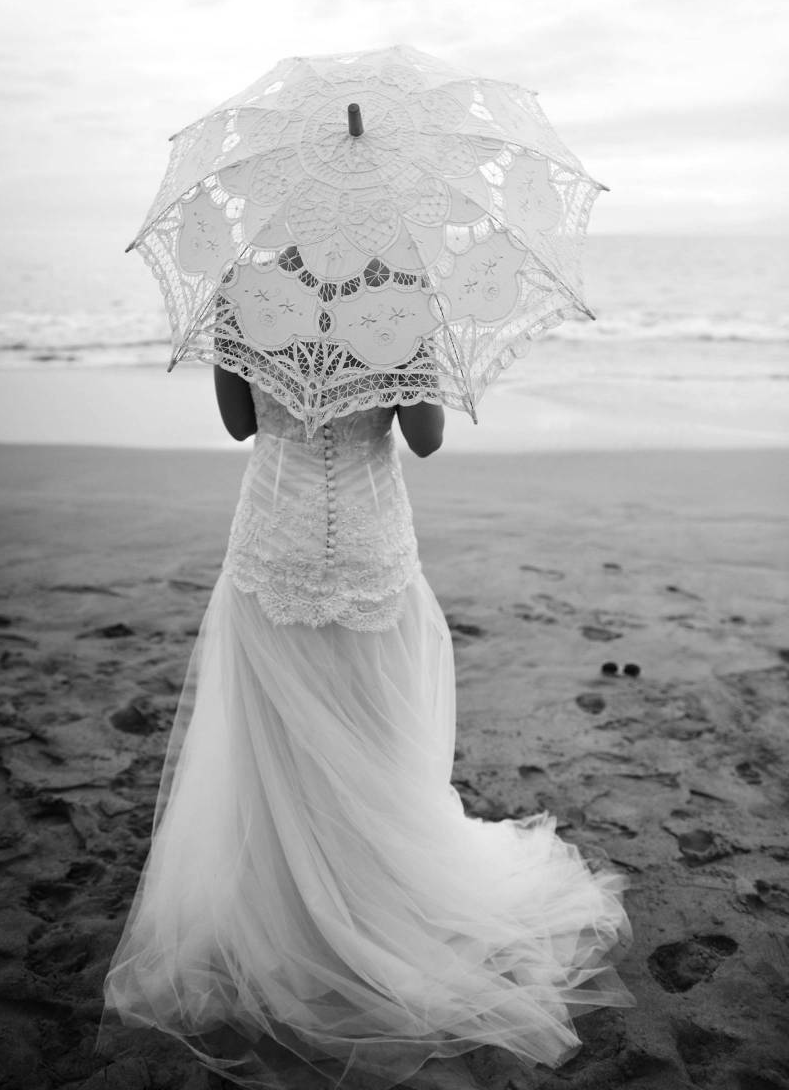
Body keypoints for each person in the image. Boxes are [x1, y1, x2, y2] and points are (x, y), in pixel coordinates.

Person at [100, 367, 635, 1090]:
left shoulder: (244, 290)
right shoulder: (393, 298)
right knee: (373, 725)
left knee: (277, 736)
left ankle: (286, 908)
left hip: (273, 533)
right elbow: (427, 438)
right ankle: (366, 900)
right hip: (365, 535)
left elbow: (239, 425)